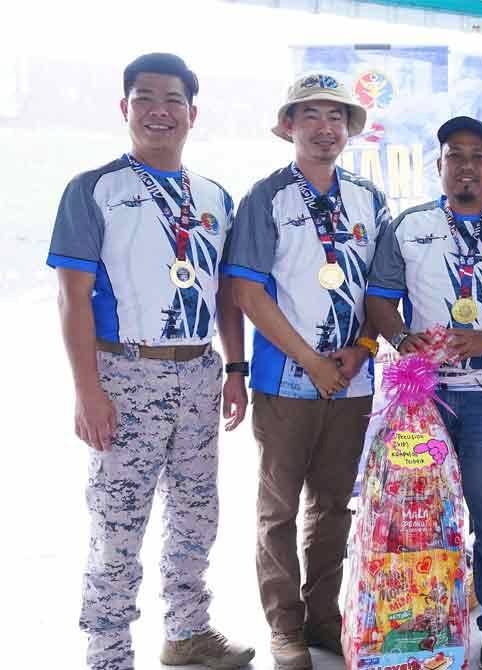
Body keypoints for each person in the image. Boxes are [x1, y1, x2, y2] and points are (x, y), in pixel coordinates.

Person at [48, 52, 254, 670]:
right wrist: (88, 390)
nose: (159, 111)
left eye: (172, 100)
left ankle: (187, 632)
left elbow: (225, 294)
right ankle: (108, 652)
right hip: (126, 374)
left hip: (198, 372)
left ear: (192, 113)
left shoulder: (214, 197)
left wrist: (235, 370)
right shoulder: (94, 190)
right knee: (119, 520)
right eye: (144, 98)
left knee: (197, 513)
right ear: (124, 108)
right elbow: (72, 297)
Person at [366, 116, 482, 670]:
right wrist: (403, 338)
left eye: (478, 156)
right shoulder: (409, 225)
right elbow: (379, 300)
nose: (466, 166)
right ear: (439, 165)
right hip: (423, 403)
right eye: (455, 156)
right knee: (421, 512)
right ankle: (425, 615)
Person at [223, 72, 390, 670]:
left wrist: (365, 346)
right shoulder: (266, 197)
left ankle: (325, 616)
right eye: (312, 116)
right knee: (278, 509)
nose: (326, 128)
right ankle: (284, 627)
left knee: (333, 506)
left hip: (353, 381)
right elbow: (246, 291)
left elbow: (383, 290)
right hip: (285, 382)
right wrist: (312, 360)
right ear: (290, 125)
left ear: (349, 130)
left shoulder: (371, 200)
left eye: (337, 117)